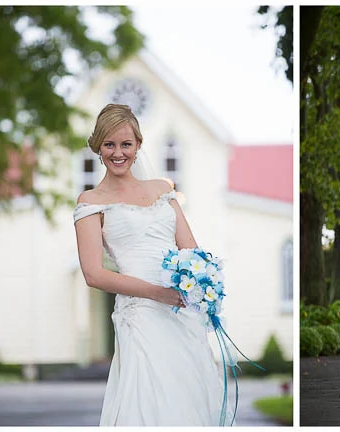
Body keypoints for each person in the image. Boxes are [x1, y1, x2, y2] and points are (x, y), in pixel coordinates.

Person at [73, 104, 231, 425]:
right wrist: (158, 294)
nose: (118, 153)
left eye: (126, 144)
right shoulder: (91, 202)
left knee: (187, 395)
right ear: (98, 147)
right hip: (141, 314)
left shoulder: (163, 190)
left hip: (180, 311)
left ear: (138, 145)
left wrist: (200, 282)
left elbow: (191, 250)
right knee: (149, 396)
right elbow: (93, 274)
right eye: (109, 144)